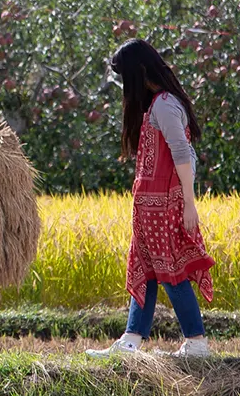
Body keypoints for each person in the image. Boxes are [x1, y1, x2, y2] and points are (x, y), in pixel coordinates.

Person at [88, 38, 215, 357]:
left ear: (139, 72)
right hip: (148, 207)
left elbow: (183, 154)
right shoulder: (155, 105)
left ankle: (196, 343)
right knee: (147, 269)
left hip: (164, 205)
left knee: (171, 272)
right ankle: (131, 341)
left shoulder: (165, 105)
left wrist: (189, 202)